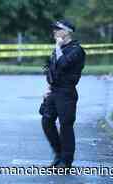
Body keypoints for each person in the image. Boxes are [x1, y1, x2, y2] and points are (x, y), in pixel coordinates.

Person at [39, 20, 85, 168]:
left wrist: (58, 47)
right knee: (46, 121)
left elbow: (63, 64)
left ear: (67, 32)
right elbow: (51, 69)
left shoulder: (76, 50)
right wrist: (47, 88)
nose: (55, 31)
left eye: (58, 29)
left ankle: (66, 160)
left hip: (66, 92)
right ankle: (59, 154)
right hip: (54, 91)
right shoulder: (57, 49)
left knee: (66, 126)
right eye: (54, 29)